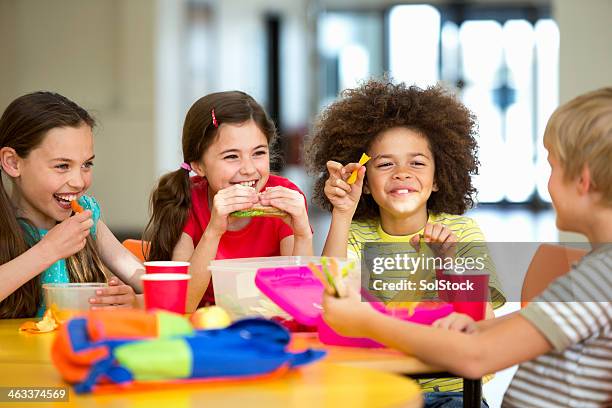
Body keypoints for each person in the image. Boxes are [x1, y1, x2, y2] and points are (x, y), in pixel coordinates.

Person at [322, 87, 612, 407]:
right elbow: (503, 329)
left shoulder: (602, 275)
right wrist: (483, 325)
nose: (548, 182)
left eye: (552, 166)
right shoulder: (599, 268)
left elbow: (476, 359)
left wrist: (365, 321)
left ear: (583, 180)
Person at [305, 79, 505, 406]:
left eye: (417, 162)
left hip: (450, 390)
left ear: (439, 177)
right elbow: (328, 299)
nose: (401, 173)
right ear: (365, 182)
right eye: (385, 164)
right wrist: (342, 214)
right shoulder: (354, 234)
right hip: (377, 388)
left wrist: (446, 265)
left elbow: (483, 322)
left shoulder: (463, 232)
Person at [144, 91, 313, 312]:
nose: (249, 169)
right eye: (231, 156)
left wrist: (301, 233)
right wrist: (213, 230)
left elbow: (301, 303)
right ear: (198, 166)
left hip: (269, 326)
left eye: (259, 153)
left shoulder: (285, 197)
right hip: (205, 328)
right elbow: (183, 305)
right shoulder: (186, 200)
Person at [0, 91, 144, 318]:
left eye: (86, 164)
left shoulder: (86, 218)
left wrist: (137, 301)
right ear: (13, 162)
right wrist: (48, 250)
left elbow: (146, 280)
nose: (78, 182)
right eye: (62, 166)